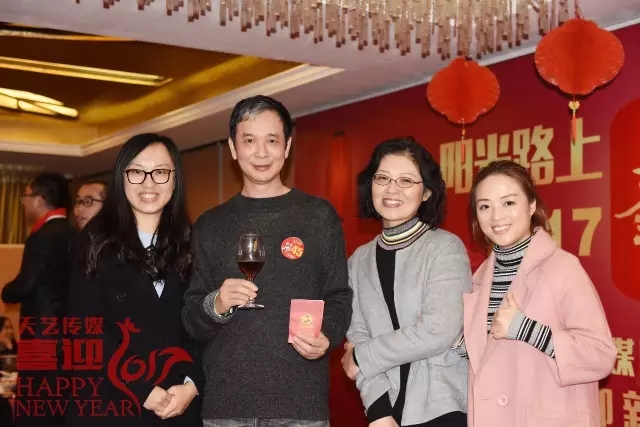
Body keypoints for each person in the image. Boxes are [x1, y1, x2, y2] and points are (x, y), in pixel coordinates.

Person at [182, 95, 353, 427]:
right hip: (227, 408)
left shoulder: (318, 216)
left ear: (287, 146)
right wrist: (216, 304)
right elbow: (191, 318)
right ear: (233, 148)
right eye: (249, 141)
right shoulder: (209, 225)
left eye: (272, 141)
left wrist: (327, 336)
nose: (261, 152)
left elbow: (338, 296)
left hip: (300, 405)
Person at [458, 160, 616, 427]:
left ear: (531, 206)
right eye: (485, 206)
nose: (496, 216)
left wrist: (528, 330)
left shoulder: (563, 267)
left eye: (508, 203)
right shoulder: (480, 279)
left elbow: (601, 355)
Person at [64, 133, 203, 427]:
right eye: (137, 172)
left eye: (160, 172)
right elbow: (86, 331)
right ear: (121, 178)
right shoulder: (93, 243)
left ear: (175, 180)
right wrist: (141, 388)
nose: (148, 183)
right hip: (110, 406)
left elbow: (201, 326)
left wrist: (192, 384)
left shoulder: (192, 244)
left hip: (176, 406)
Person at [341, 137, 470, 427]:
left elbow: (439, 330)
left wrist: (363, 356)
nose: (392, 189)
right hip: (384, 409)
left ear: (427, 192)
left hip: (441, 407)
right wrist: (378, 411)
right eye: (383, 178)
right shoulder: (358, 260)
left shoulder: (445, 247)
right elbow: (357, 335)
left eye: (406, 181)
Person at [1, 172, 76, 427]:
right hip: (68, 338)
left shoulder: (42, 235)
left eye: (25, 196)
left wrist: (6, 291)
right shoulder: (74, 233)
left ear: (39, 199)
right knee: (57, 408)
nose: (23, 202)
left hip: (41, 336)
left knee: (34, 409)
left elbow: (26, 284)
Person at [0, 316, 17, 427]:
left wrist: (9, 348)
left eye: (11, 328)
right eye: (6, 328)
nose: (10, 331)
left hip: (12, 389)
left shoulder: (15, 347)